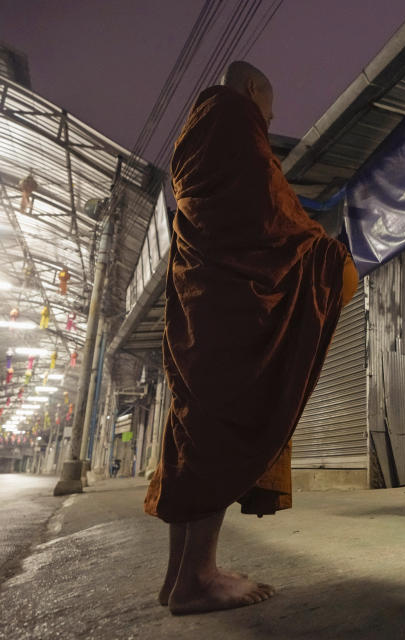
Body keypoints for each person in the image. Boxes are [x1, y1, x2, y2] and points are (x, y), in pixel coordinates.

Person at [144, 61, 359, 614]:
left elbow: (233, 216)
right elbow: (269, 216)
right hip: (232, 314)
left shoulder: (192, 139)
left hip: (195, 308)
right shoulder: (234, 123)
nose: (270, 120)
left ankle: (180, 574)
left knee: (194, 431)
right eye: (270, 109)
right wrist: (325, 252)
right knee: (223, 428)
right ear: (252, 90)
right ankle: (199, 576)